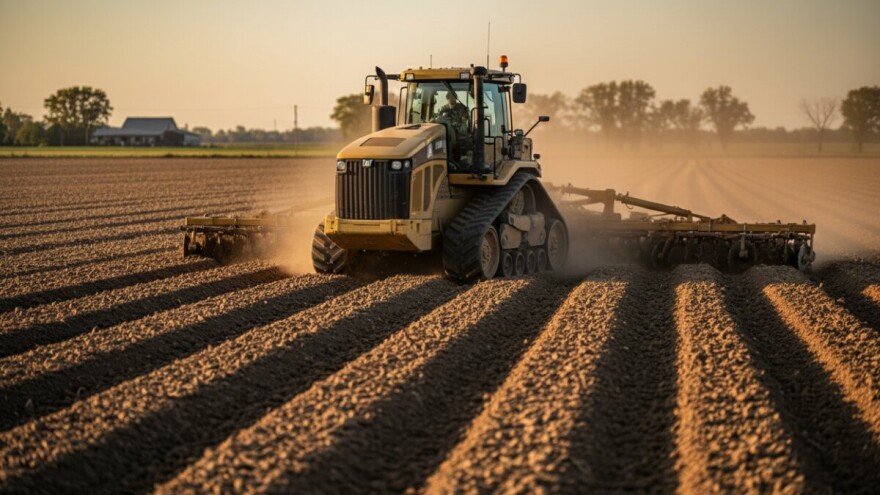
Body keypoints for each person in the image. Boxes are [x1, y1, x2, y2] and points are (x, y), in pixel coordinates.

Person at [432, 91, 470, 162]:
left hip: (458, 130)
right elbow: (438, 117)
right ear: (447, 98)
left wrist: (460, 121)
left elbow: (465, 118)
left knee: (463, 129)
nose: (451, 99)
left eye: (453, 97)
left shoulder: (462, 108)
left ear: (455, 98)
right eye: (449, 97)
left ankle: (463, 155)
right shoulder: (443, 108)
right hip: (446, 129)